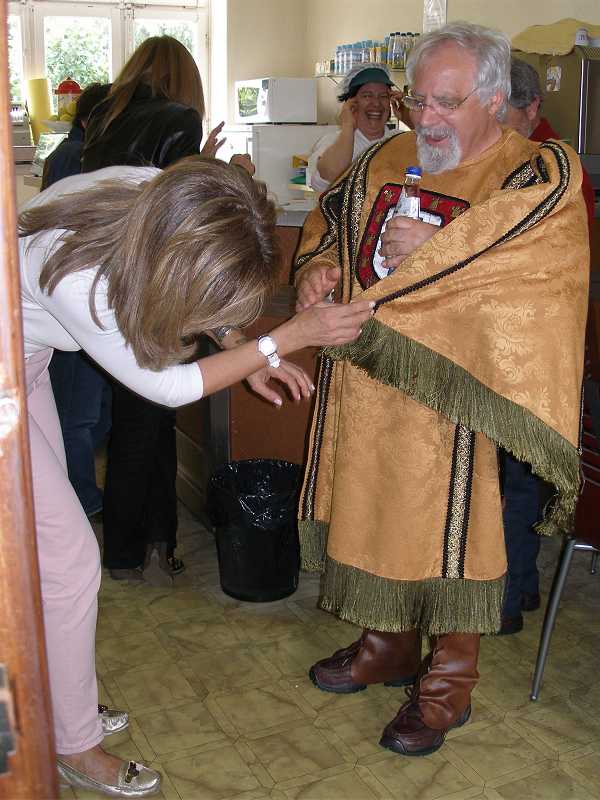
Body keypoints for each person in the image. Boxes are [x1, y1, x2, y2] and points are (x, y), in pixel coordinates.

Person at [19, 156, 373, 796]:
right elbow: (168, 387)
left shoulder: (154, 195)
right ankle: (73, 743)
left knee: (51, 560)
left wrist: (244, 349)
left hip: (26, 354)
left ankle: (60, 702)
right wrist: (282, 339)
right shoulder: (83, 278)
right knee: (68, 560)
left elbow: (195, 279)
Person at [295, 22, 589, 757]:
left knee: (456, 538)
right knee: (369, 509)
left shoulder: (535, 172)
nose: (424, 118)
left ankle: (447, 685)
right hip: (365, 384)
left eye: (446, 104)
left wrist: (440, 251)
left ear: (493, 98)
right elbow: (332, 221)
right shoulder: (388, 157)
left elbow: (542, 274)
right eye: (417, 99)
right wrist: (316, 268)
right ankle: (386, 645)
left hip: (460, 397)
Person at [82, 35, 253, 586]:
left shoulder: (104, 117)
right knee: (148, 424)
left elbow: (137, 193)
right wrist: (226, 173)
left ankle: (154, 540)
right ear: (185, 76)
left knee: (143, 421)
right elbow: (175, 214)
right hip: (156, 285)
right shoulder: (179, 117)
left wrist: (200, 162)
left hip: (105, 278)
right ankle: (130, 550)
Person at [498, 57, 596, 635]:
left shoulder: (551, 166)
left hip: (535, 343)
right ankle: (525, 585)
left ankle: (507, 602)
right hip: (533, 339)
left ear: (532, 108)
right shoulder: (536, 157)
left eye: (502, 114)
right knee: (522, 473)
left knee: (513, 476)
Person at [41, 83, 113, 520]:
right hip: (72, 304)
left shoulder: (75, 154)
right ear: (90, 120)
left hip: (79, 301)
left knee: (90, 413)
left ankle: (78, 491)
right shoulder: (76, 157)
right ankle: (81, 499)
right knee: (78, 415)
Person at [308, 63, 409, 193]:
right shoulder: (332, 142)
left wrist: (410, 118)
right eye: (367, 96)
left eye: (383, 96)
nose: (376, 103)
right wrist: (348, 126)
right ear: (351, 103)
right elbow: (329, 175)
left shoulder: (400, 140)